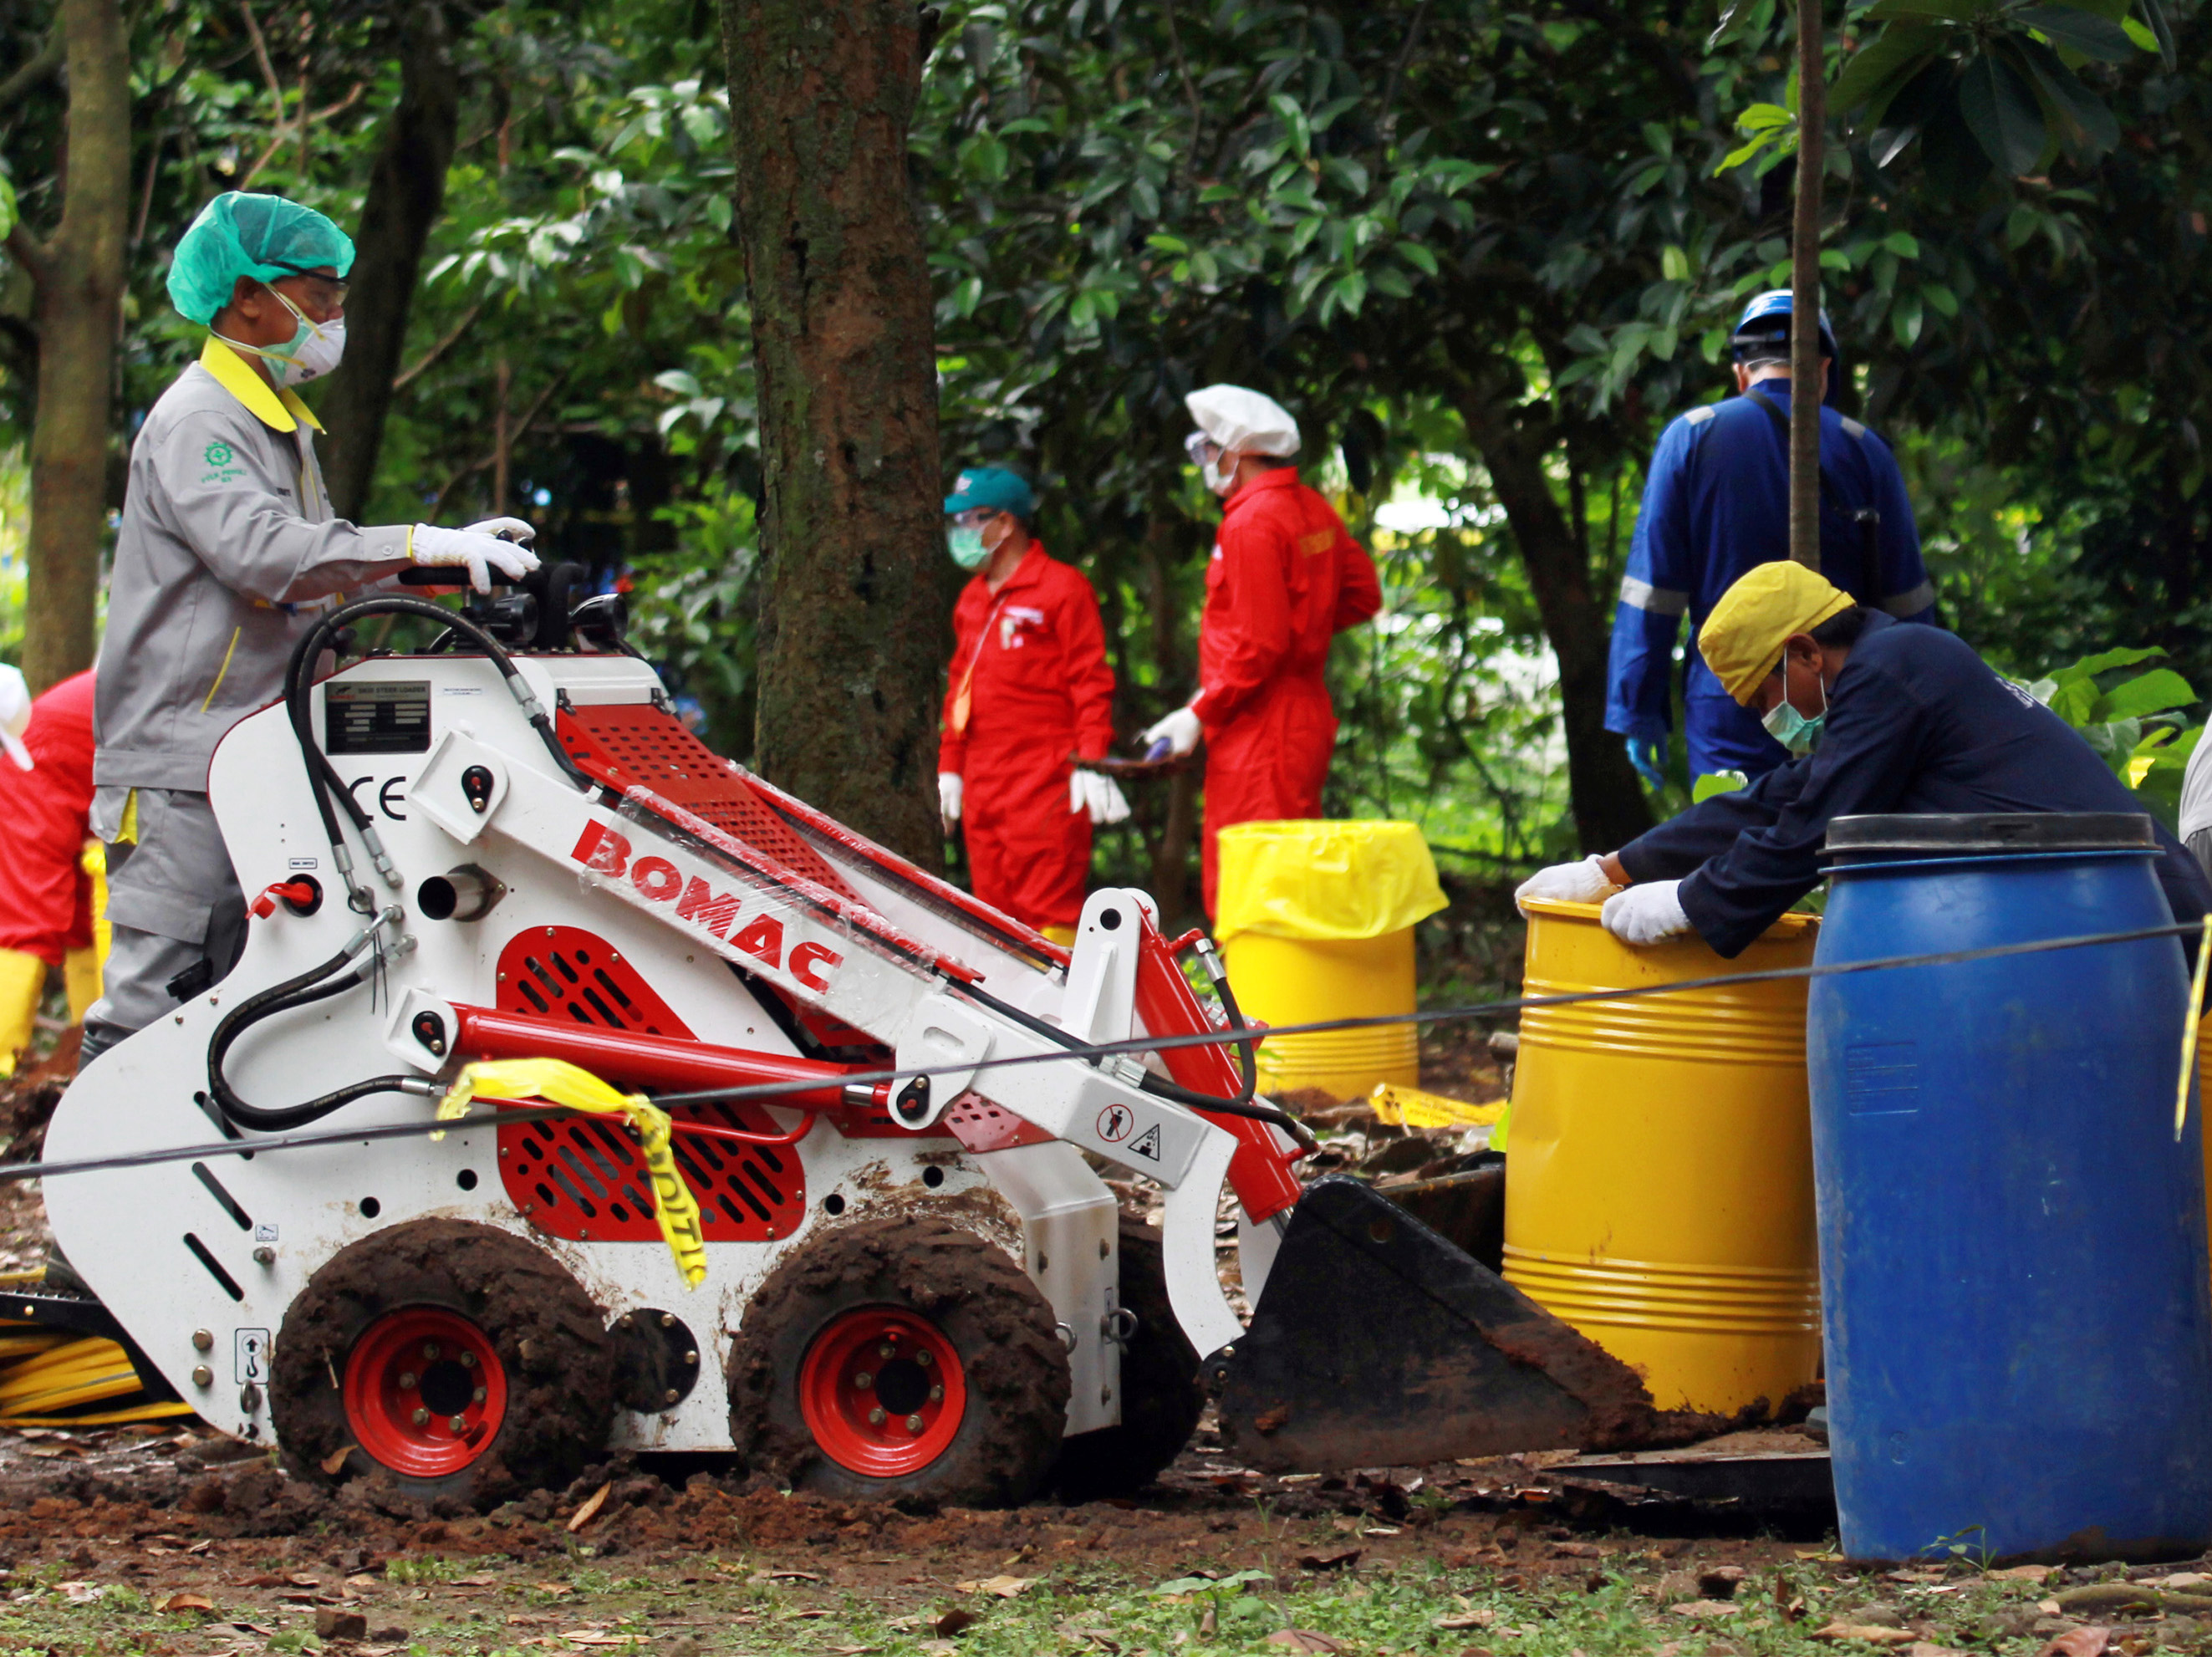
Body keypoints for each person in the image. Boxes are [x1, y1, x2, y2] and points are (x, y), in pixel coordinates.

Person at [81, 191, 545, 1066]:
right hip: (183, 761)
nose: (334, 315)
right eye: (317, 294)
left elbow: (316, 571)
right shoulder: (201, 420)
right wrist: (410, 542)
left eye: (338, 294)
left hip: (253, 752)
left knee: (244, 993)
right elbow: (265, 556)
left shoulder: (275, 420)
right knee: (154, 999)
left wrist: (429, 565)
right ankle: (93, 1185)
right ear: (248, 297)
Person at [1523, 562, 2212, 956]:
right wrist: (1609, 870)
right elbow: (1778, 798)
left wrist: (1690, 903)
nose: (1768, 721)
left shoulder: (1892, 674)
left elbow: (1813, 828)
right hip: (2114, 922)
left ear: (1804, 651)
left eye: (1764, 697)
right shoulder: (1894, 672)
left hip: (2131, 924)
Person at [1606, 290, 1937, 789]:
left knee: (1734, 849)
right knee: (1843, 847)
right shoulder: (1864, 449)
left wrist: (1636, 709)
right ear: (1824, 368)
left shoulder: (1693, 437)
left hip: (1734, 700)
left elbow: (1653, 593)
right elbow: (1907, 601)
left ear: (1742, 372)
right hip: (1845, 696)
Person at [1141, 386, 1383, 915]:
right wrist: (1306, 630)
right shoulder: (1311, 507)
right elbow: (1363, 595)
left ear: (1238, 452)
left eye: (1209, 450)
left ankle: (1252, 998)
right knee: (1285, 871)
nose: (1206, 463)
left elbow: (1261, 644)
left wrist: (1198, 711)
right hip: (1299, 715)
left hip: (1259, 725)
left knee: (1252, 883)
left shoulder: (1250, 523)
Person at [935, 466, 1126, 945]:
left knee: (1049, 912)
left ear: (1005, 523)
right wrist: (950, 768)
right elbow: (960, 685)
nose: (961, 533)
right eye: (957, 522)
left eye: (970, 521)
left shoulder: (1062, 589)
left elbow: (1090, 681)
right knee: (992, 921)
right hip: (983, 785)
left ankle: (1055, 1016)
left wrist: (1092, 761)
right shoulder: (971, 600)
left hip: (1046, 783)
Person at [0, 666, 99, 1075]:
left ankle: (93, 1048)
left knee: (79, 910)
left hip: (56, 753)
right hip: (46, 757)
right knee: (28, 912)